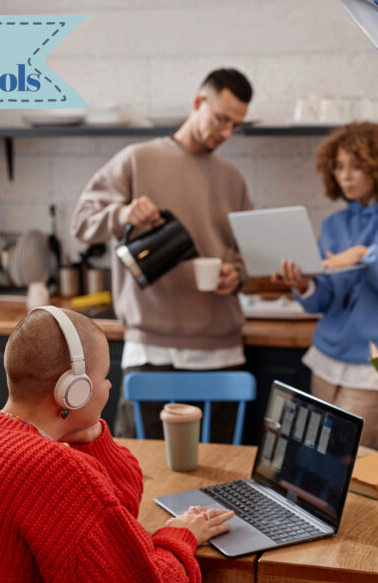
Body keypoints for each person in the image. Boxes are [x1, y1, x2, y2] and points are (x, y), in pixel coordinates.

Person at [0, 307, 233, 583]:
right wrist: (179, 535)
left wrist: (91, 434)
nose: (109, 387)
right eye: (103, 377)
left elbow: (118, 510)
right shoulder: (53, 468)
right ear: (74, 390)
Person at [71, 68, 253, 442]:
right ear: (198, 102)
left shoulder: (232, 177)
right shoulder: (137, 159)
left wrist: (238, 275)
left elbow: (249, 254)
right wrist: (122, 214)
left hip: (220, 349)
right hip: (150, 347)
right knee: (141, 471)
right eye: (221, 119)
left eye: (236, 126)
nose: (226, 133)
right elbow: (82, 224)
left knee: (220, 475)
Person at [271, 122, 378, 448]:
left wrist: (367, 255)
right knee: (310, 455)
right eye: (338, 167)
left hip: (376, 368)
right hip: (326, 360)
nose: (345, 176)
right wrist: (305, 283)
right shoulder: (336, 224)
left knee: (344, 461)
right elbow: (322, 300)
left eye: (356, 166)